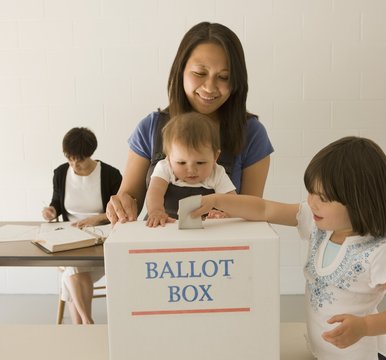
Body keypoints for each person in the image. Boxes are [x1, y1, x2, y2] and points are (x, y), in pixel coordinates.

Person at [191, 136, 386, 360]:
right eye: (311, 192)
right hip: (323, 352)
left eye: (323, 198)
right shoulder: (318, 225)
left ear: (360, 203)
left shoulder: (379, 253)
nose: (312, 202)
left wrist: (365, 326)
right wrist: (217, 200)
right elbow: (264, 209)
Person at [106, 21, 273, 224]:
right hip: (157, 248)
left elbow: (251, 213)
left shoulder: (252, 134)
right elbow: (130, 197)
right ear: (181, 70)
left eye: (224, 77)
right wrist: (122, 205)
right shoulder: (150, 128)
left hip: (222, 250)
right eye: (200, 73)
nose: (210, 87)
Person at [42, 127, 122, 324]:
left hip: (100, 241)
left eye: (79, 159)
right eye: (70, 158)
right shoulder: (61, 173)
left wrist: (98, 218)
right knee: (72, 265)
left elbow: (123, 212)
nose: (74, 164)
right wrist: (52, 211)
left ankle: (82, 325)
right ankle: (87, 322)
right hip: (68, 240)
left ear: (90, 154)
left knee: (71, 270)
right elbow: (57, 204)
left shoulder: (111, 175)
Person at [146, 112, 236, 227]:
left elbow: (233, 201)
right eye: (181, 163)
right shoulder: (165, 167)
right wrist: (156, 211)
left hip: (206, 230)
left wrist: (225, 214)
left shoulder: (217, 173)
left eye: (200, 162)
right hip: (166, 225)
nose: (191, 170)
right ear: (168, 157)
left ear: (215, 157)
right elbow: (155, 192)